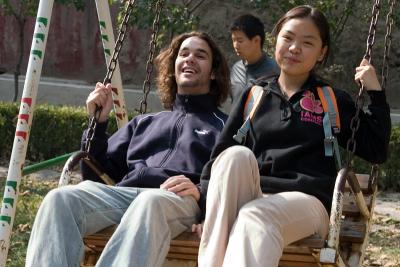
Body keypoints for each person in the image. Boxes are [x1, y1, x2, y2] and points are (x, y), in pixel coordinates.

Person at [197, 5, 391, 267]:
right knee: (234, 156)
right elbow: (218, 160)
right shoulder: (253, 95)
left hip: (307, 203)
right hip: (252, 197)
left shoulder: (330, 100)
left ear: (322, 53)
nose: (294, 48)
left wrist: (375, 92)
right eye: (287, 38)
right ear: (275, 40)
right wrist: (202, 208)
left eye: (307, 43)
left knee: (255, 216)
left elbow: (376, 150)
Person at [25, 31, 230, 267]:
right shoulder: (144, 123)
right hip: (127, 196)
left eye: (200, 55)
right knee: (60, 198)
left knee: (150, 202)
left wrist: (199, 192)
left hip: (178, 202)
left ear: (214, 72)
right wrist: (98, 124)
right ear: (173, 68)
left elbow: (234, 179)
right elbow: (97, 174)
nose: (190, 59)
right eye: (183, 54)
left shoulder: (224, 127)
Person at [230, 13, 280, 100]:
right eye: (233, 40)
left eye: (240, 41)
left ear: (256, 40)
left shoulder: (275, 71)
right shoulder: (237, 69)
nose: (235, 45)